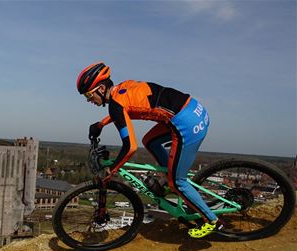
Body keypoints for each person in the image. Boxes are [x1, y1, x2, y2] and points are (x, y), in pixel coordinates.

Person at [77, 61, 221, 238]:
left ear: (100, 88)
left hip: (187, 123)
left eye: (89, 95)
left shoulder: (115, 105)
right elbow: (124, 108)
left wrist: (113, 169)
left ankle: (212, 221)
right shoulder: (122, 88)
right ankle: (170, 178)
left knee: (178, 182)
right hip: (191, 110)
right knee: (150, 141)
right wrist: (101, 124)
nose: (89, 100)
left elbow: (130, 146)